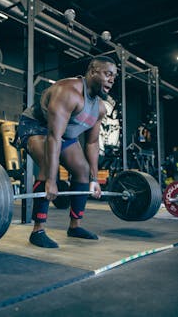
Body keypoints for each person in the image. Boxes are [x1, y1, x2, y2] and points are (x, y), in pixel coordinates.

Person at [15, 55, 117, 248]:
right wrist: (52, 181)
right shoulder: (68, 92)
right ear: (93, 71)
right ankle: (38, 230)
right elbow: (53, 138)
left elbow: (92, 143)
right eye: (108, 74)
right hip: (36, 126)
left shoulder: (100, 108)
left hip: (63, 133)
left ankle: (75, 226)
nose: (112, 79)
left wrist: (94, 179)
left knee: (82, 170)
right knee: (47, 164)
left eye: (114, 76)